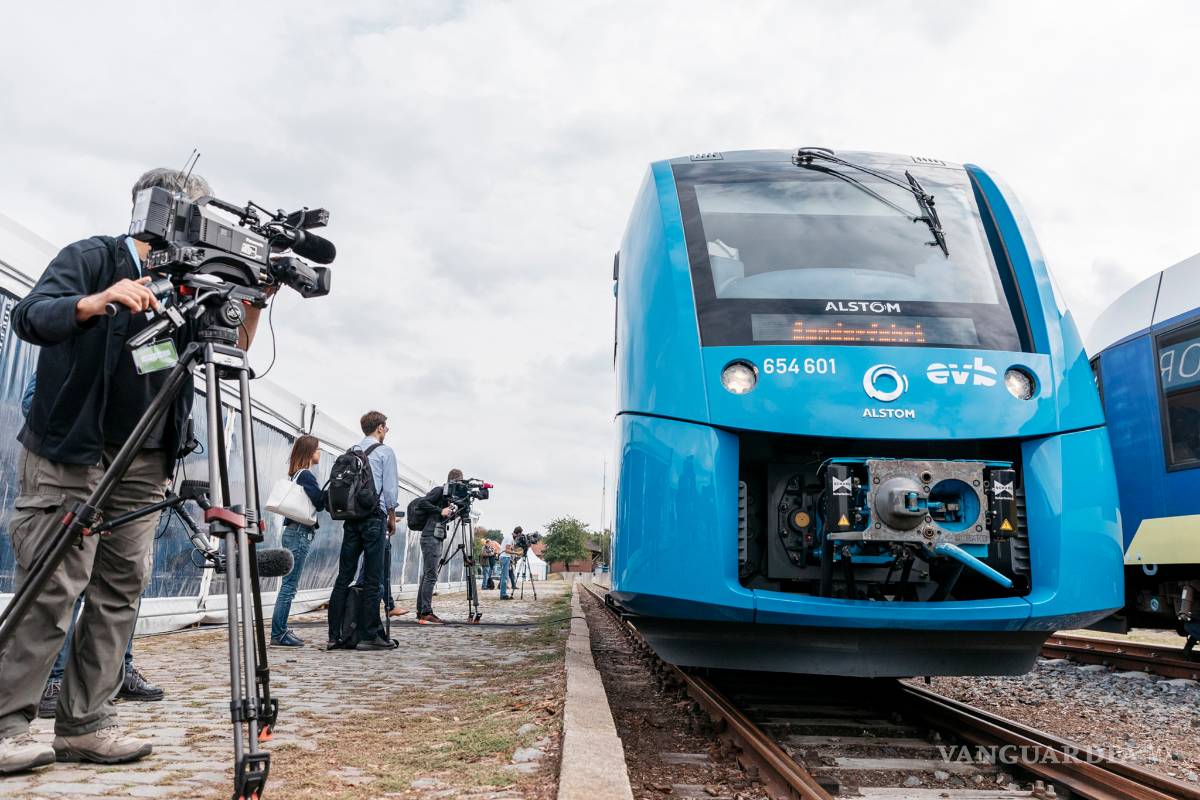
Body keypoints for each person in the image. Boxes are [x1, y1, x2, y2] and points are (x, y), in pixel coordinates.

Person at [0, 168, 269, 774]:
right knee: (52, 587)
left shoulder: (188, 287)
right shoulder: (94, 257)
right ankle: (4, 724)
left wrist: (250, 300)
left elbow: (231, 354)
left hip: (144, 460)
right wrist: (95, 302)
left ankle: (85, 725)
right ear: (165, 210)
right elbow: (32, 315)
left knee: (119, 591)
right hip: (74, 454)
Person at [22, 374, 163, 718]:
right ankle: (53, 680)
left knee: (127, 582)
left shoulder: (153, 357)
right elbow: (33, 404)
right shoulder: (80, 344)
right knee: (69, 581)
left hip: (132, 484)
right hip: (82, 475)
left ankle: (120, 670)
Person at [327, 411, 399, 651]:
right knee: (372, 576)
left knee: (344, 576)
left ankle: (335, 635)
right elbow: (389, 490)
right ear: (379, 428)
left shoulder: (352, 450)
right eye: (385, 427)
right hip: (373, 518)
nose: (387, 430)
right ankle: (369, 635)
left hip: (351, 518)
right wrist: (391, 517)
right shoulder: (385, 452)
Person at [270, 435, 327, 647]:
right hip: (300, 533)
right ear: (310, 452)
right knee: (289, 586)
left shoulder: (297, 474)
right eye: (317, 449)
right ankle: (278, 634)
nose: (319, 452)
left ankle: (281, 630)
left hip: (294, 531)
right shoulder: (306, 475)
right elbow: (319, 503)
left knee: (288, 585)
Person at [413, 469, 463, 624]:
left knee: (427, 575)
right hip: (431, 537)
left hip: (435, 537)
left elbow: (443, 516)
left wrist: (454, 512)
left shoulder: (448, 497)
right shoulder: (440, 491)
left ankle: (422, 610)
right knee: (431, 576)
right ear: (455, 481)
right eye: (460, 482)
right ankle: (426, 612)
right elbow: (422, 502)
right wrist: (440, 510)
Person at [499, 526, 521, 600]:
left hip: (505, 557)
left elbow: (509, 548)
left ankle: (503, 593)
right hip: (505, 557)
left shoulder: (510, 537)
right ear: (518, 533)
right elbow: (507, 550)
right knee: (504, 577)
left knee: (505, 576)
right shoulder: (510, 538)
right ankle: (503, 594)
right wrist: (516, 553)